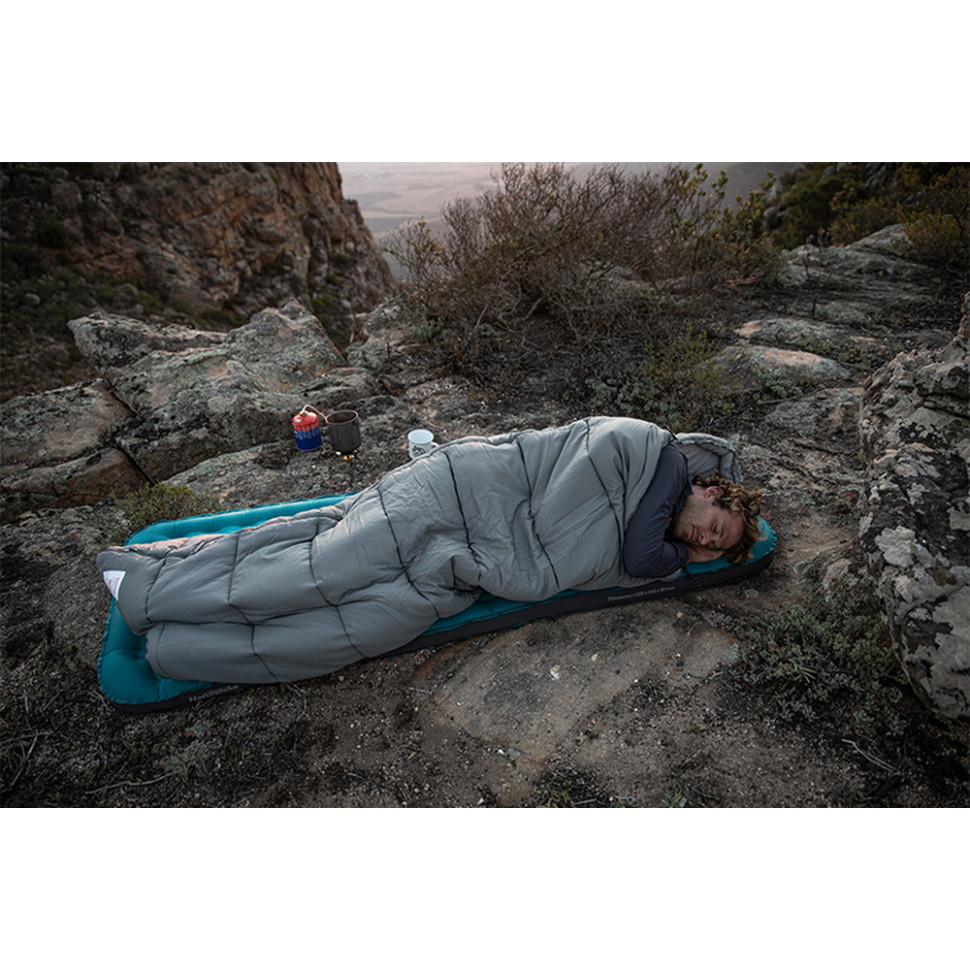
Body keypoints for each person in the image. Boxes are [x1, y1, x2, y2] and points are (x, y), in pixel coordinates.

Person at [622, 442, 764, 578]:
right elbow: (641, 561)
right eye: (715, 529)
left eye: (711, 546)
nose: (703, 542)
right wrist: (692, 554)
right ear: (713, 493)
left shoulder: (663, 532)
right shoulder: (671, 464)